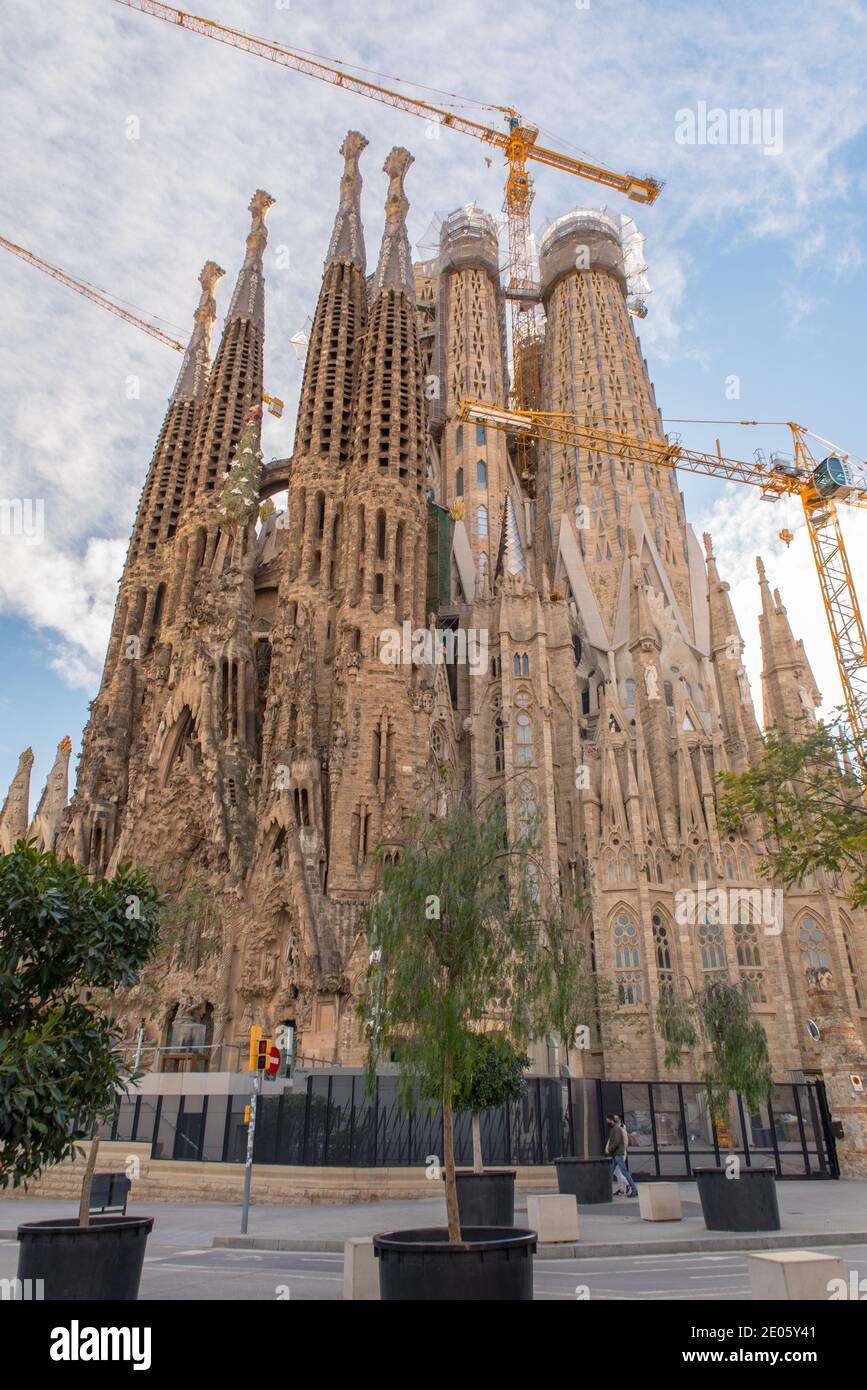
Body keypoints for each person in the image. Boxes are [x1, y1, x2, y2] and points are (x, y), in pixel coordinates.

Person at [605, 1113, 637, 1196]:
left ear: (612, 1120)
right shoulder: (614, 1128)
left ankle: (634, 1189)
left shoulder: (617, 1129)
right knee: (611, 1171)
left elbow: (617, 1142)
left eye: (608, 1121)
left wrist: (609, 1149)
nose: (607, 1122)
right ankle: (607, 1190)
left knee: (624, 1172)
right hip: (616, 1154)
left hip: (618, 1154)